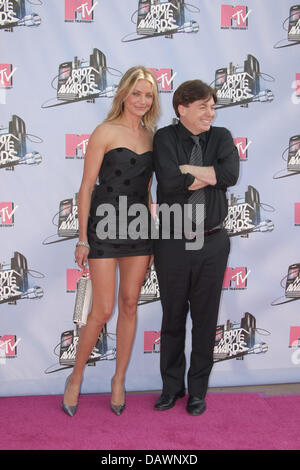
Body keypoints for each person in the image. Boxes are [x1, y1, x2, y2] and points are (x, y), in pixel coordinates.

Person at [62, 66, 159, 417]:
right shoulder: (104, 131)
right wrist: (83, 237)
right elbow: (87, 186)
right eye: (137, 93)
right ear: (123, 94)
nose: (142, 100)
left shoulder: (153, 137)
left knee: (130, 304)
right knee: (102, 310)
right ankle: (75, 377)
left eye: (148, 95)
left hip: (139, 231)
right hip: (103, 227)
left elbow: (147, 189)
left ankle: (119, 380)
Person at [153, 79, 239, 415]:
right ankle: (171, 388)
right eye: (203, 106)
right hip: (173, 242)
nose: (211, 112)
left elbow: (230, 174)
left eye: (213, 106)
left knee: (205, 320)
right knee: (172, 318)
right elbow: (171, 182)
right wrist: (207, 174)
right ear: (182, 108)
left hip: (213, 241)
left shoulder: (221, 137)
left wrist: (190, 170)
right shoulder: (164, 138)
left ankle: (198, 392)